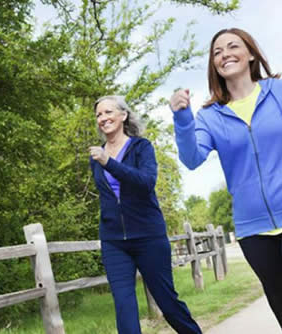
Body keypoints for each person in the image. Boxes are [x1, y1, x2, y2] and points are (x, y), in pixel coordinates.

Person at [169, 28, 282, 334]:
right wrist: (182, 119)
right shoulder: (209, 117)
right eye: (217, 52)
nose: (225, 54)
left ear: (251, 54)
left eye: (233, 47)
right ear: (213, 65)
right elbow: (191, 159)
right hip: (252, 226)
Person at [89, 95, 202, 334]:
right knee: (124, 306)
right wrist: (104, 160)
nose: (103, 118)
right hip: (114, 241)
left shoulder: (141, 147)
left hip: (148, 236)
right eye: (99, 114)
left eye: (108, 112)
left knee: (167, 302)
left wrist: (109, 162)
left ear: (123, 115)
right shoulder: (97, 156)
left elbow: (146, 182)